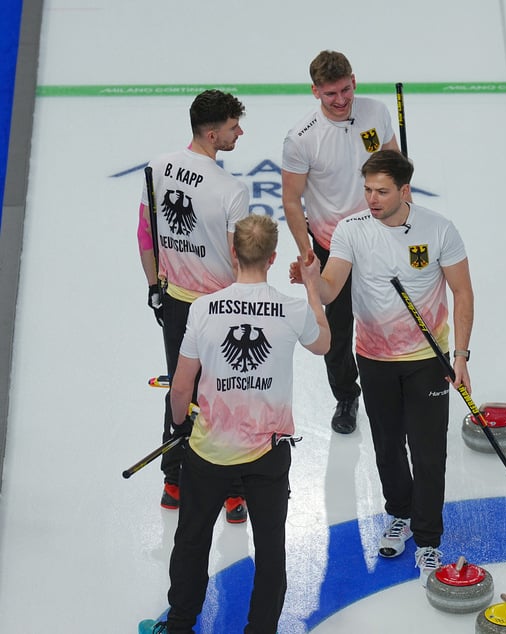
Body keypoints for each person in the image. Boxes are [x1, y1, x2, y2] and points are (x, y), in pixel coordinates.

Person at [293, 149, 473, 584]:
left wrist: (461, 356)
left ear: (404, 190)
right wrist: (312, 278)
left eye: (381, 191)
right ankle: (400, 514)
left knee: (429, 453)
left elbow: (463, 293)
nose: (371, 199)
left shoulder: (438, 229)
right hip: (373, 358)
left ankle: (428, 539)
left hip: (427, 360)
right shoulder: (351, 230)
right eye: (368, 190)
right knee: (387, 446)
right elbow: (333, 289)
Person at [150, 214, 331, 634]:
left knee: (192, 541)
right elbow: (324, 343)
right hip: (268, 455)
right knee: (270, 550)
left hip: (209, 451)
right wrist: (309, 285)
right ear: (272, 257)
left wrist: (180, 428)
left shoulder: (202, 309)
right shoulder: (291, 309)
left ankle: (178, 625)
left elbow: (180, 388)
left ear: (233, 252)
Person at [137, 89, 251, 521]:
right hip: (219, 308)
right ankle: (234, 492)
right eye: (232, 126)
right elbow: (239, 260)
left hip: (174, 303)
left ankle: (175, 481)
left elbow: (145, 235)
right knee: (224, 394)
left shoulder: (158, 167)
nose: (239, 132)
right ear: (211, 131)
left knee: (180, 390)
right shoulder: (230, 190)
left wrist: (153, 286)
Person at [281, 49, 404, 435]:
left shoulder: (376, 112)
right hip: (332, 246)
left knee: (389, 318)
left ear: (354, 79)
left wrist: (407, 222)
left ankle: (392, 387)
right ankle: (347, 396)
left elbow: (395, 167)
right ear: (315, 91)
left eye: (346, 90)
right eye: (330, 93)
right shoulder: (301, 138)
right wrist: (306, 253)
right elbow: (290, 199)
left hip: (379, 236)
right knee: (335, 333)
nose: (340, 100)